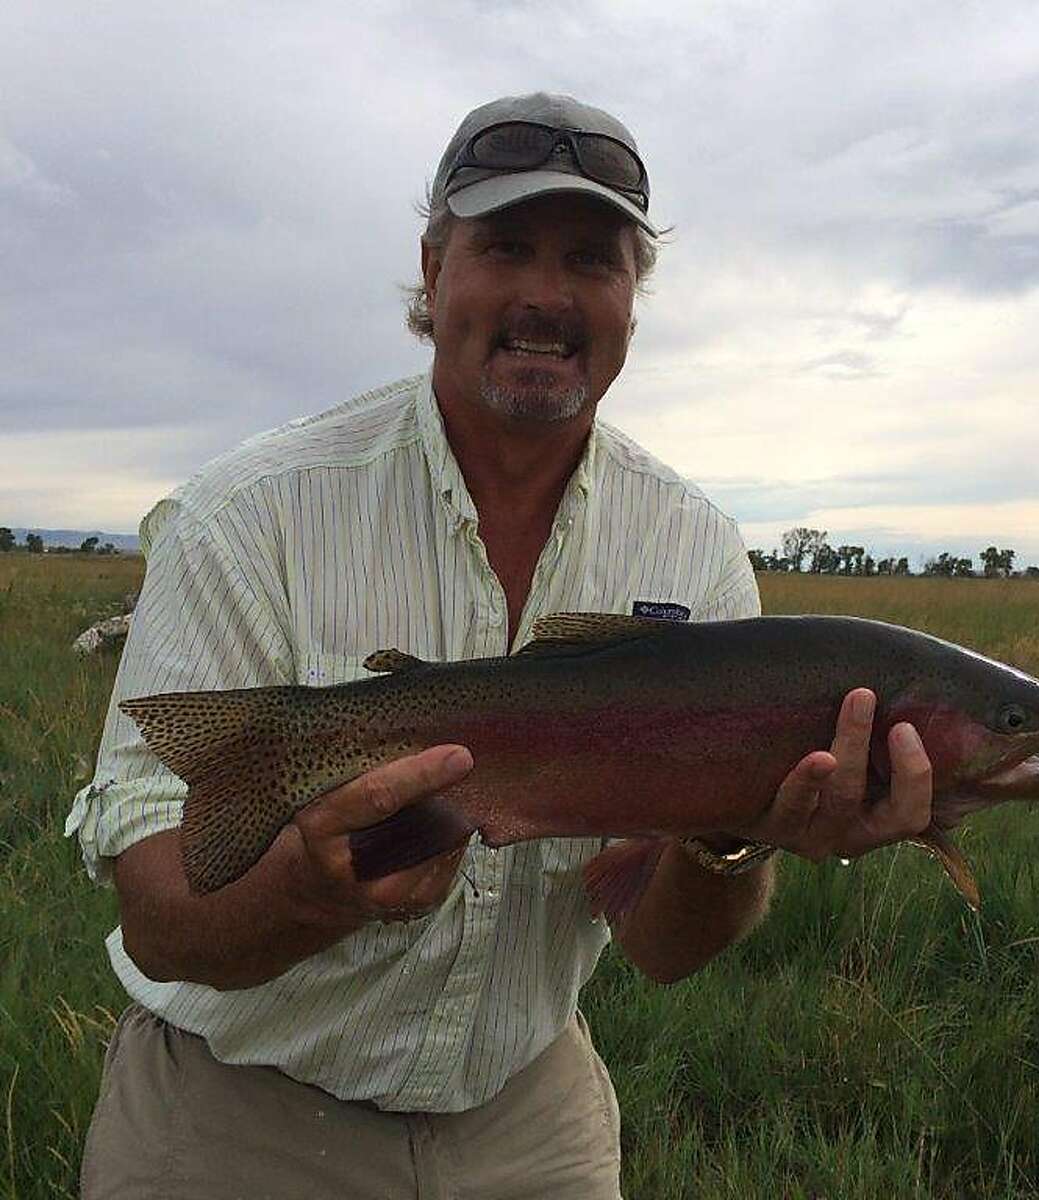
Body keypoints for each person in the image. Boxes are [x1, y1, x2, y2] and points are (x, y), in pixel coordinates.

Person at [69, 92, 932, 1199]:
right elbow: (161, 928)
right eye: (505, 247)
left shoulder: (695, 550)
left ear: (632, 299)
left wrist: (732, 836)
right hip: (236, 1120)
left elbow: (663, 947)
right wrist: (310, 889)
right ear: (432, 273)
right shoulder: (248, 516)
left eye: (591, 258)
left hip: (531, 1122)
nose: (546, 294)